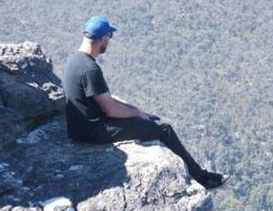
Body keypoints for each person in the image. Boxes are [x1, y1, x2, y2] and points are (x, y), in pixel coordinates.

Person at [62, 15, 229, 189]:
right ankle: (202, 178)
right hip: (93, 131)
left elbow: (100, 102)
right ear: (103, 38)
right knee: (163, 130)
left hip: (78, 128)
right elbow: (110, 109)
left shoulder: (73, 60)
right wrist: (137, 113)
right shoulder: (90, 69)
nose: (109, 42)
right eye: (109, 37)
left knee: (147, 121)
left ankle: (197, 173)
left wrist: (137, 113)